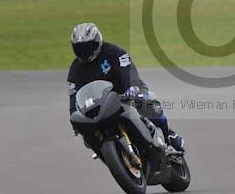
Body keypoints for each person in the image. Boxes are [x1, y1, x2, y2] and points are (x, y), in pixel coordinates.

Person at [68, 22, 184, 152]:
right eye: (80, 48)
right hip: (102, 105)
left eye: (88, 46)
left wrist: (132, 87)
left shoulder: (112, 51)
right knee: (88, 135)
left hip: (127, 92)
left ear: (97, 42)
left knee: (146, 102)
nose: (84, 51)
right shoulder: (75, 69)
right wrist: (74, 116)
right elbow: (73, 94)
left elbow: (127, 68)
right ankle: (108, 154)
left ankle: (168, 134)